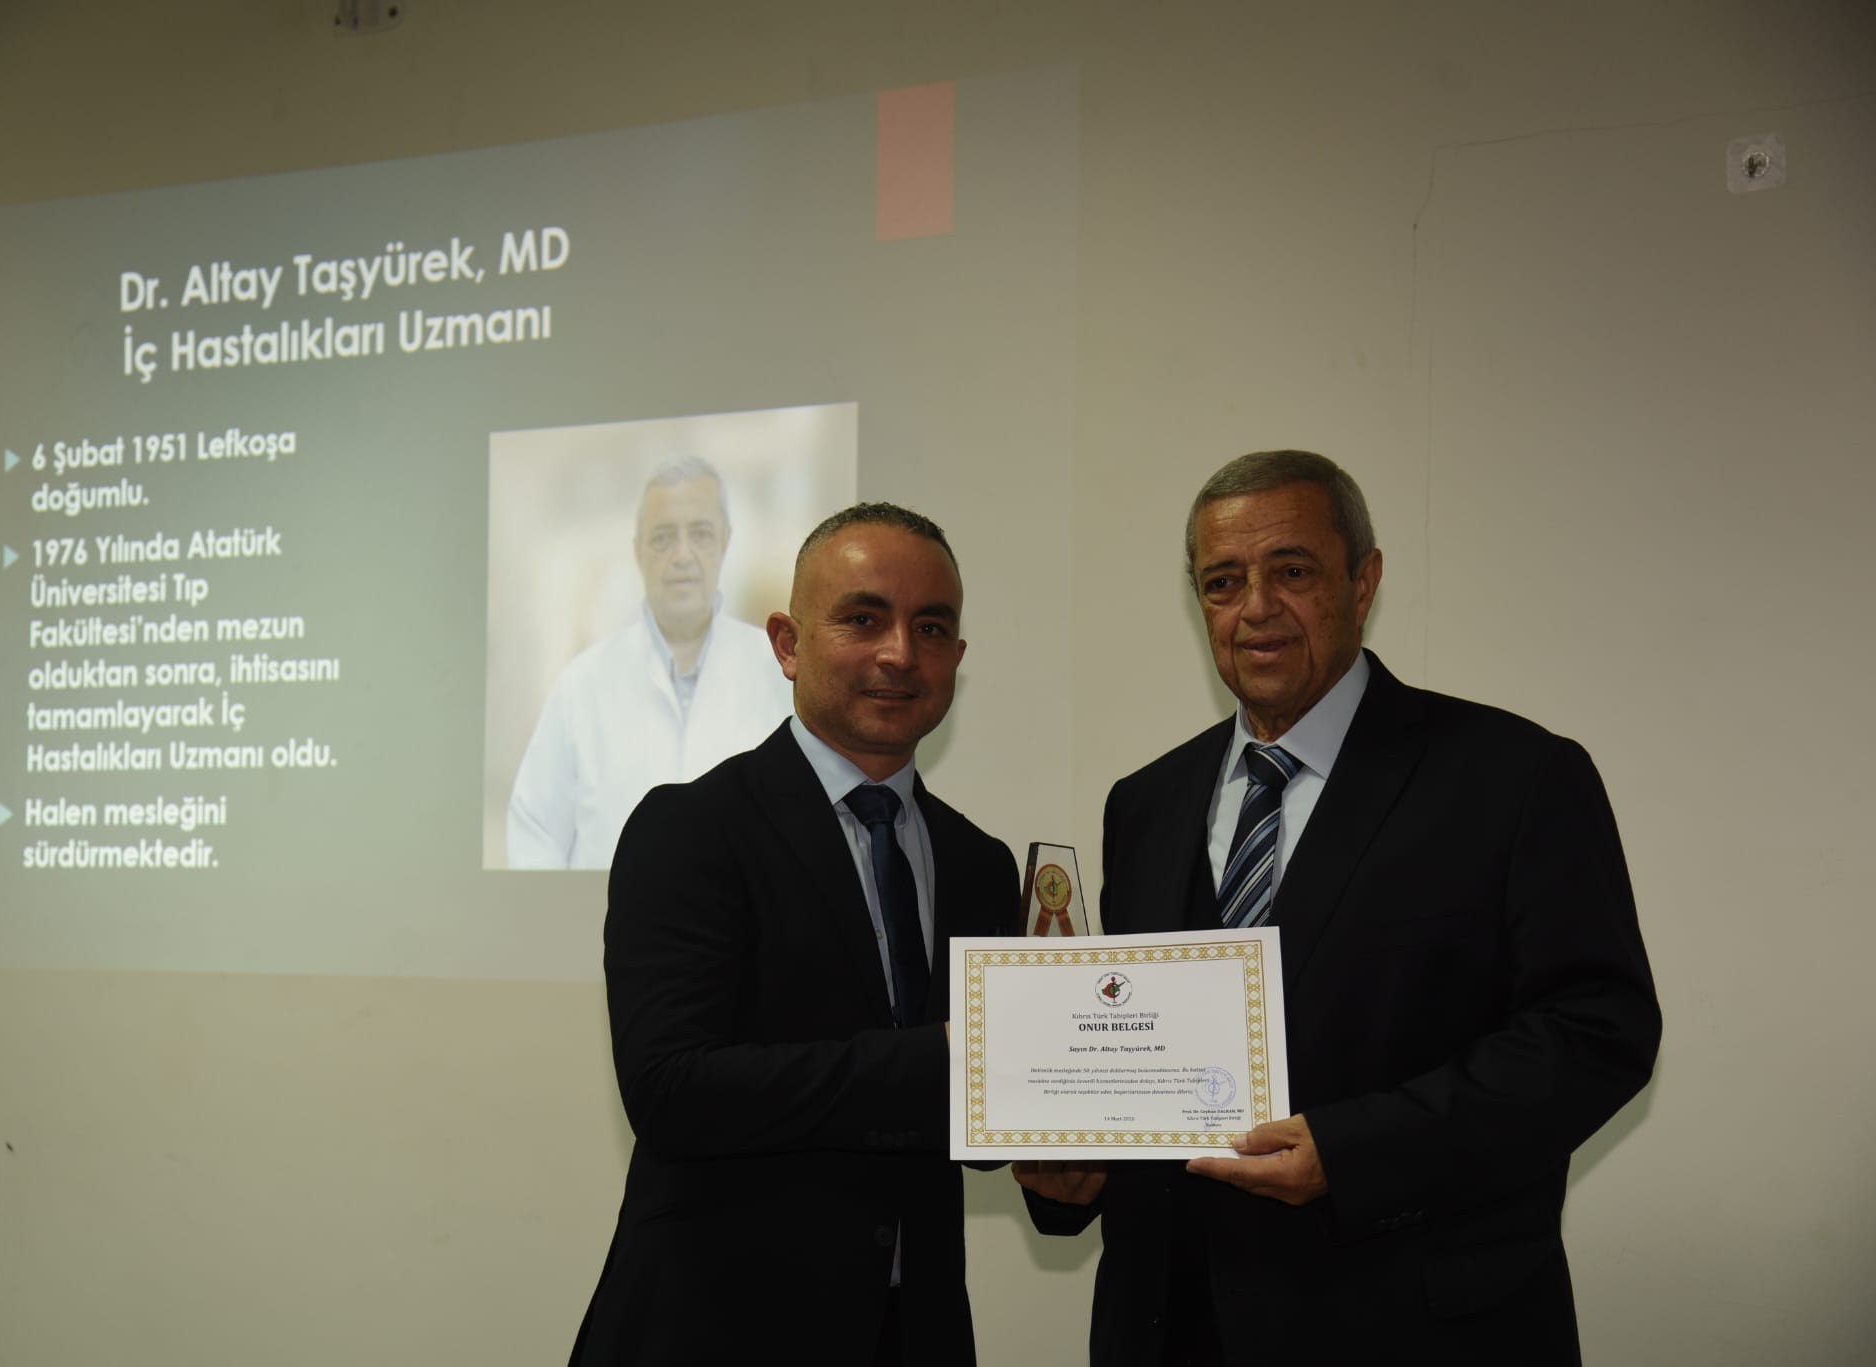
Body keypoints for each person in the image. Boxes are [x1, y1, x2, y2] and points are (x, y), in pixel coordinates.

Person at [1017, 450, 1660, 1365]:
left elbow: (1597, 1031)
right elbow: (1140, 1056)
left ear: (1364, 581)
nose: (1256, 607)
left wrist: (1357, 1152)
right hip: (1168, 1326)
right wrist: (1075, 1162)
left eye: (1292, 570)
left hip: (1410, 1328)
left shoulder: (1514, 776)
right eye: (1222, 581)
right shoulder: (1146, 802)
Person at [569, 503, 1019, 1367]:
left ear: (956, 659)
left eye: (931, 627)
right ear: (786, 643)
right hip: (717, 1332)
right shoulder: (691, 829)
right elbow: (671, 1089)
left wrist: (1064, 1143)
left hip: (916, 1335)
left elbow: (976, 1121)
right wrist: (945, 1055)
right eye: (863, 619)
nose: (900, 652)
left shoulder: (981, 863)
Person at [504, 455, 792, 868]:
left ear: (725, 543)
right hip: (599, 910)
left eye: (700, 534)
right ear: (637, 551)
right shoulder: (582, 685)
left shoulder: (779, 673)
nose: (682, 555)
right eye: (662, 537)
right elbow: (535, 836)